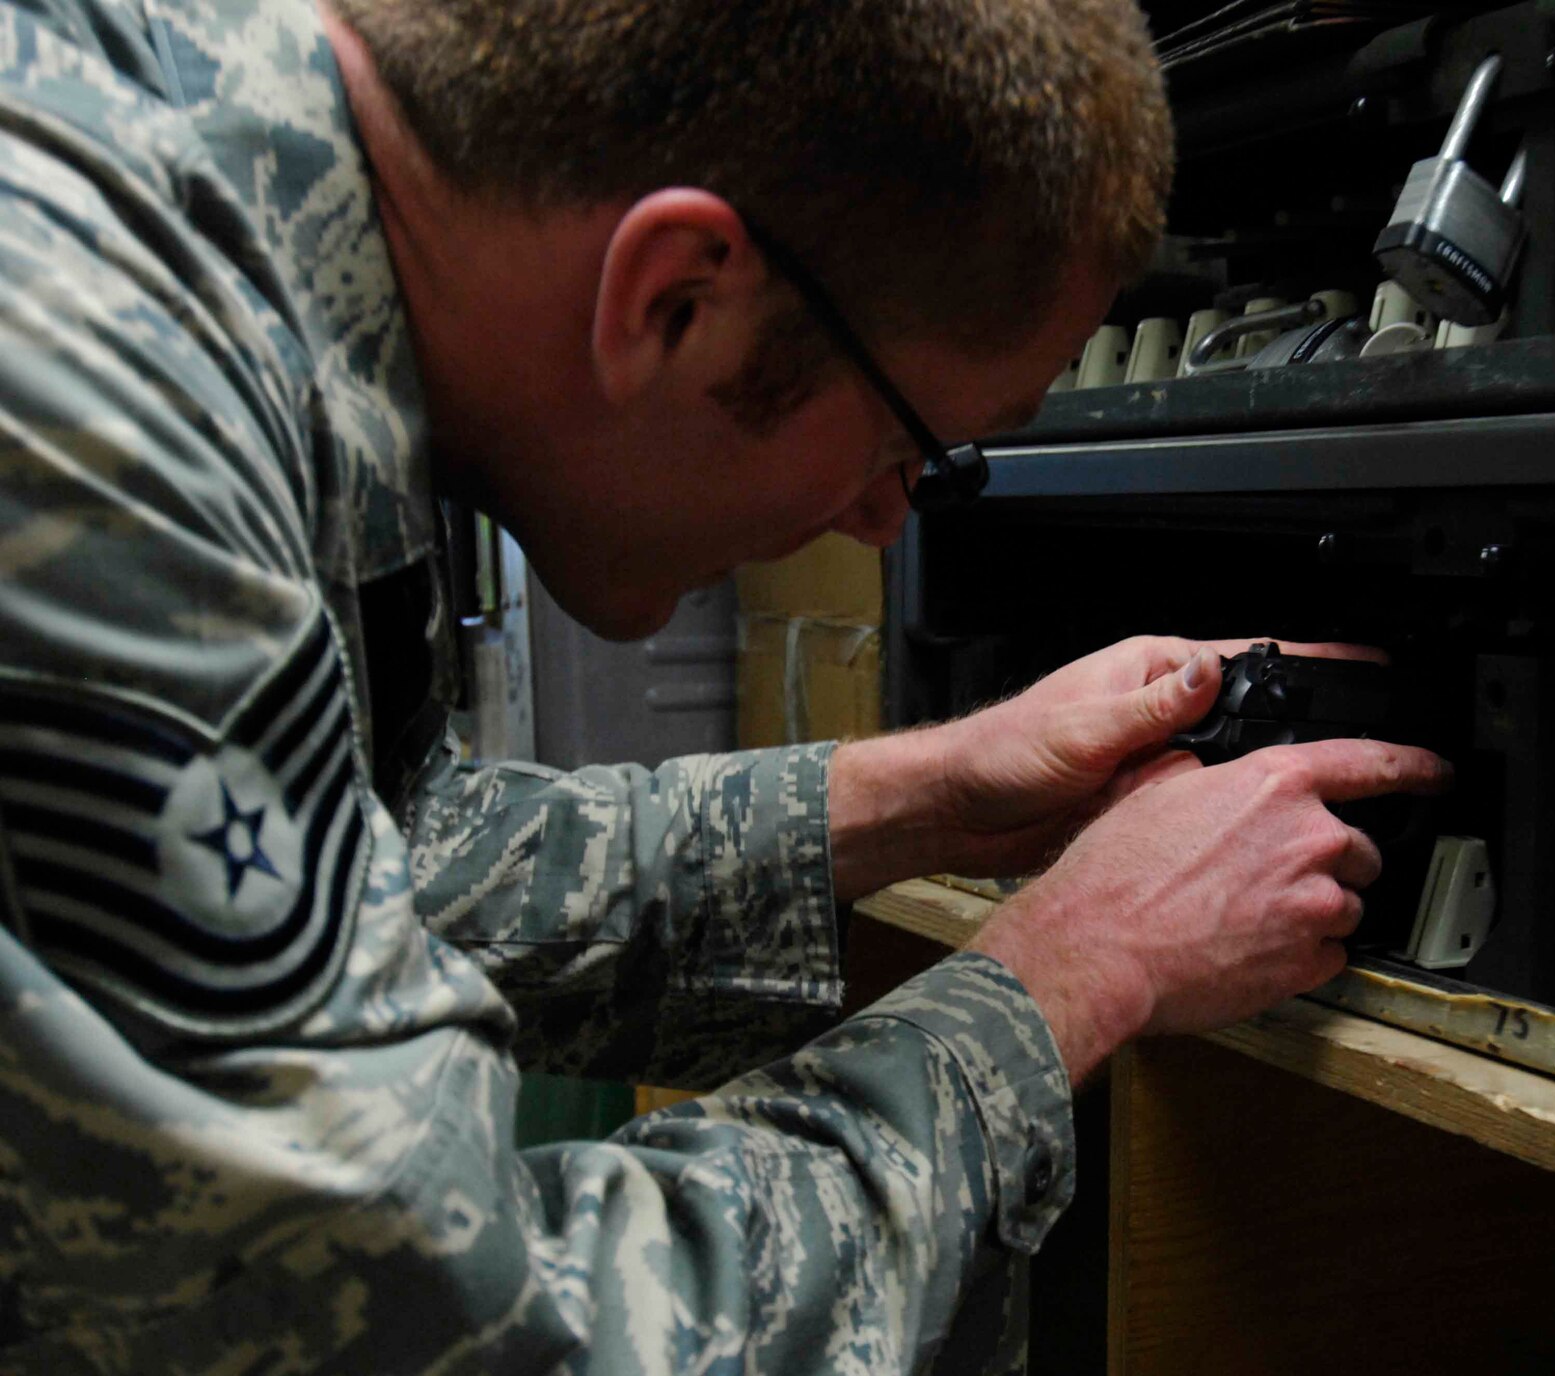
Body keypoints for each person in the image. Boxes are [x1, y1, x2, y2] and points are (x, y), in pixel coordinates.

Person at [0, 0, 1449, 1370]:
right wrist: (1079, 967)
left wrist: (931, 795)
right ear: (676, 298)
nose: (888, 520)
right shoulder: (90, 409)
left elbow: (379, 857)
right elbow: (427, 1331)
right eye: (912, 447)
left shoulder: (216, 201)